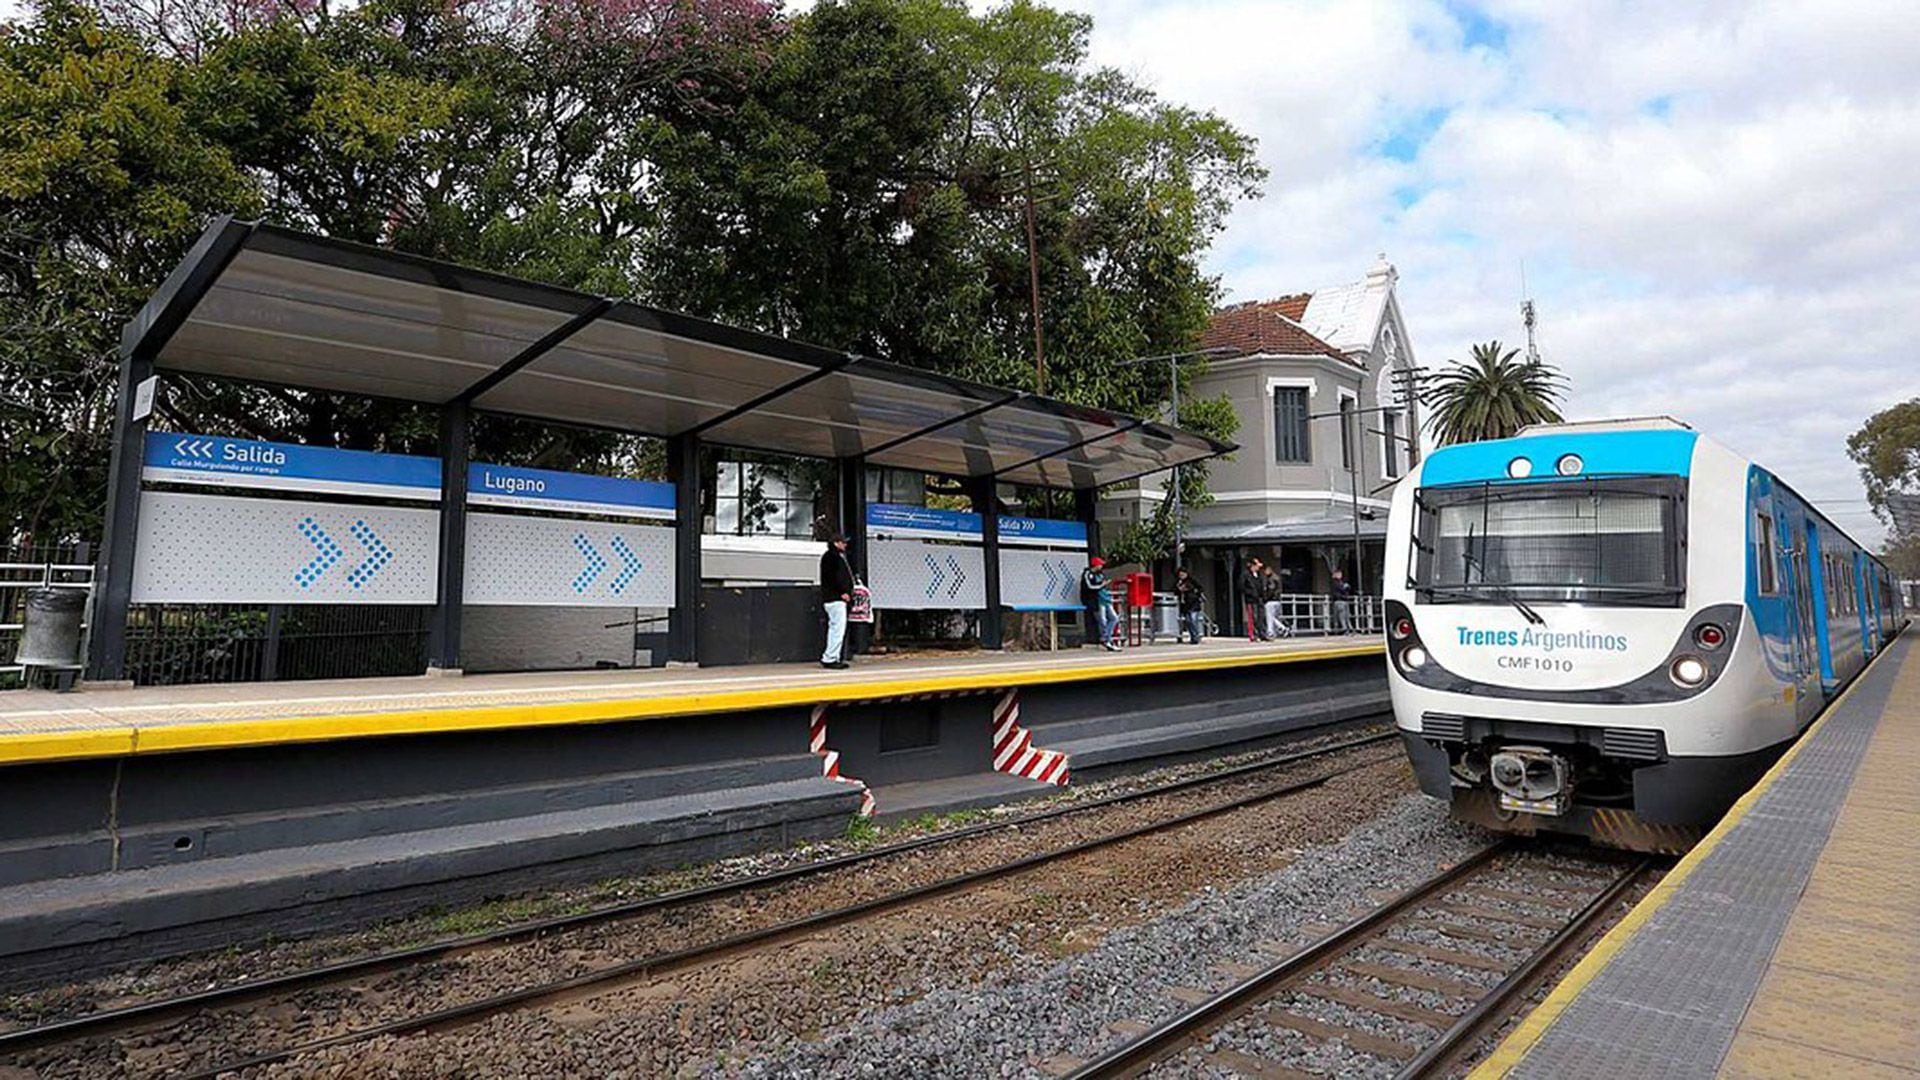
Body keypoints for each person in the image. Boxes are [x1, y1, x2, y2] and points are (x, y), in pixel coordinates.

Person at [819, 534, 854, 668]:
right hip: (835, 598)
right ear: (836, 543)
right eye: (843, 543)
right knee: (837, 628)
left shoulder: (832, 557)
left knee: (836, 627)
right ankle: (830, 657)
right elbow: (835, 578)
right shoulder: (833, 558)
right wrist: (843, 592)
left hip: (832, 597)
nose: (845, 545)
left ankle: (833, 656)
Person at [1082, 555, 1120, 651]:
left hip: (1105, 599)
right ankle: (1108, 640)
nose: (1101, 567)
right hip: (1096, 600)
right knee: (1102, 621)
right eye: (1100, 565)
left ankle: (1106, 637)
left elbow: (1103, 586)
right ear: (1095, 565)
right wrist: (1101, 585)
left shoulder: (1101, 574)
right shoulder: (1088, 574)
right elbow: (1089, 587)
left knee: (1114, 618)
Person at [1174, 567, 1207, 645]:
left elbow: (1200, 588)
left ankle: (1196, 636)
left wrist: (1189, 589)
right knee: (1188, 621)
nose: (1181, 576)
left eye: (1183, 574)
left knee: (1193, 620)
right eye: (1180, 575)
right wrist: (1179, 589)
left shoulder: (1191, 581)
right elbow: (1175, 591)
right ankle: (1193, 637)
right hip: (1185, 604)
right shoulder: (1178, 583)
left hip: (1194, 603)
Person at [1238, 557, 1266, 641]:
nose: (1258, 567)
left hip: (1259, 599)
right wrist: (1250, 593)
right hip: (1251, 600)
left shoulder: (1259, 575)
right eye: (1257, 565)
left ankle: (1262, 633)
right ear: (1252, 566)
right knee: (1252, 617)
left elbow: (1261, 586)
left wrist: (1263, 595)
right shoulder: (1245, 575)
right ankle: (1253, 634)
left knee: (1261, 616)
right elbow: (1241, 586)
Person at [1262, 564, 1292, 639]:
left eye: (1265, 571)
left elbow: (1271, 590)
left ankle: (1275, 631)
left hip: (1271, 600)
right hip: (1277, 600)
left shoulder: (1271, 579)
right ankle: (1279, 630)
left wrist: (1265, 598)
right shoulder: (1276, 578)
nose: (1265, 573)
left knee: (1270, 617)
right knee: (1274, 617)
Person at [1330, 568, 1355, 635]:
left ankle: (1349, 629)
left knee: (1346, 616)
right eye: (1339, 574)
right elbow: (1341, 589)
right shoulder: (1335, 582)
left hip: (1343, 600)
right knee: (1342, 616)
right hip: (1339, 600)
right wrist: (1345, 588)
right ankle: (1345, 629)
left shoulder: (1340, 582)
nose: (1340, 575)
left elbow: (1346, 589)